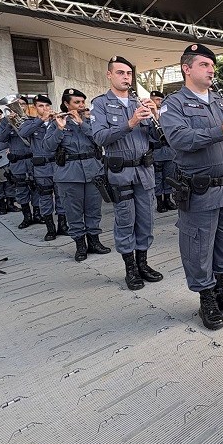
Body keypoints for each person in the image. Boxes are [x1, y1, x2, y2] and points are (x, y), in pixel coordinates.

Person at [159, 43, 223, 330]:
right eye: (204, 65)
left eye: (212, 65)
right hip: (200, 190)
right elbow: (179, 139)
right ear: (186, 69)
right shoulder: (174, 104)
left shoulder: (221, 101)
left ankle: (222, 289)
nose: (211, 70)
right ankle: (206, 298)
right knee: (198, 246)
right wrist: (221, 129)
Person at [91, 57, 163, 290]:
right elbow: (99, 137)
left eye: (129, 73)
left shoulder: (138, 102)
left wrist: (156, 116)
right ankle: (130, 268)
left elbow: (157, 138)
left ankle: (143, 263)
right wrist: (130, 123)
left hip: (144, 171)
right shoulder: (100, 103)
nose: (125, 77)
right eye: (120, 73)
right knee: (125, 219)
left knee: (146, 219)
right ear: (109, 75)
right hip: (120, 172)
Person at [44, 89, 110, 262]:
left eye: (82, 102)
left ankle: (94, 241)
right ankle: (80, 245)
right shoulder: (57, 122)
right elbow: (48, 147)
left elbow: (100, 140)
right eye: (76, 103)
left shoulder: (90, 121)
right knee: (73, 212)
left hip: (93, 171)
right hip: (69, 174)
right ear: (66, 104)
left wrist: (82, 123)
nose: (81, 106)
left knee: (94, 209)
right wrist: (59, 128)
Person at [19, 95, 69, 240]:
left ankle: (62, 226)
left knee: (61, 196)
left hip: (58, 164)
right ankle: (50, 229)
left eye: (47, 106)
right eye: (41, 106)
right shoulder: (31, 123)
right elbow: (22, 133)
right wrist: (41, 120)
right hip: (42, 167)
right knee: (45, 197)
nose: (45, 109)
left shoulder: (57, 120)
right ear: (35, 108)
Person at [0, 98, 39, 229]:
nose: (19, 106)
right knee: (21, 189)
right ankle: (27, 216)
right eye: (17, 104)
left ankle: (38, 214)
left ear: (27, 106)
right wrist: (10, 124)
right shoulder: (5, 122)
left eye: (22, 104)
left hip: (32, 159)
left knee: (36, 187)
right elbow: (1, 138)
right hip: (18, 161)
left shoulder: (32, 120)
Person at [148, 90, 177, 213]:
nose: (159, 102)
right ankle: (160, 201)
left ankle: (168, 199)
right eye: (156, 99)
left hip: (169, 151)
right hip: (156, 151)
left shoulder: (166, 113)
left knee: (169, 176)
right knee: (158, 178)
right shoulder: (147, 114)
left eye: (160, 100)